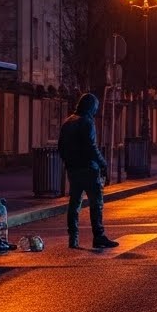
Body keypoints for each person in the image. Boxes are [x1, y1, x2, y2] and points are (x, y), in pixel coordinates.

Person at [58, 93, 118, 249]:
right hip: (89, 168)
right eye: (95, 107)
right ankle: (98, 236)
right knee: (96, 203)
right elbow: (91, 147)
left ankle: (73, 237)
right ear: (90, 107)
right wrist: (103, 163)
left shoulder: (68, 122)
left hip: (73, 169)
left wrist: (68, 163)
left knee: (74, 204)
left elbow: (61, 148)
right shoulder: (87, 122)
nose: (96, 111)